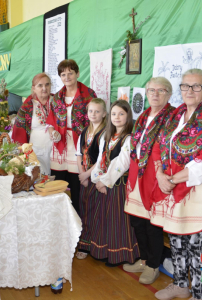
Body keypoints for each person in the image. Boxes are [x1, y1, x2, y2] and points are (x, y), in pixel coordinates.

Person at [152, 69, 202, 300]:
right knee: (176, 240)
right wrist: (160, 175)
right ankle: (180, 284)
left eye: (196, 86)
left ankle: (200, 294)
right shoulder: (175, 115)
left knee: (197, 246)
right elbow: (159, 145)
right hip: (173, 189)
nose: (190, 91)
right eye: (185, 86)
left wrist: (168, 179)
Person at [124, 77, 175, 284]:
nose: (155, 94)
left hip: (156, 175)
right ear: (146, 93)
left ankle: (154, 265)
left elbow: (172, 150)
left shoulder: (172, 117)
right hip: (137, 174)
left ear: (169, 94)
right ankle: (144, 260)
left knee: (153, 223)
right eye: (151, 90)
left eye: (161, 90)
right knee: (137, 220)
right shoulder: (143, 115)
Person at [88, 100, 140, 266]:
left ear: (128, 116)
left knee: (117, 220)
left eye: (121, 114)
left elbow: (121, 164)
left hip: (118, 185)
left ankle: (119, 255)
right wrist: (97, 179)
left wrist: (104, 181)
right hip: (104, 182)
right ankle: (104, 250)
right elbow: (100, 160)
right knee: (104, 218)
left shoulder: (129, 138)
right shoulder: (106, 135)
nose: (117, 117)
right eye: (114, 114)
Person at [46, 59, 97, 214]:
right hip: (60, 145)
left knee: (77, 187)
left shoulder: (89, 95)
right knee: (59, 185)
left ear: (77, 74)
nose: (67, 77)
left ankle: (79, 225)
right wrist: (52, 132)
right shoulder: (56, 98)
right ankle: (61, 222)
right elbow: (50, 122)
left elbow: (96, 121)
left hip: (80, 145)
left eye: (70, 73)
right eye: (63, 74)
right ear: (60, 77)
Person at [76, 98, 107, 259]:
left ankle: (95, 245)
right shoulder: (84, 132)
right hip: (84, 178)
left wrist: (87, 174)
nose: (93, 114)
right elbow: (78, 154)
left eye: (97, 111)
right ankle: (84, 244)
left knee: (96, 212)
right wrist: (81, 174)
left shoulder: (105, 133)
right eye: (90, 111)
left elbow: (102, 158)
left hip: (97, 177)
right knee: (84, 210)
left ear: (104, 114)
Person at [12, 73, 53, 175]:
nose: (44, 88)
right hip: (36, 151)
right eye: (40, 85)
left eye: (47, 84)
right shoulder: (27, 106)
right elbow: (19, 131)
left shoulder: (56, 101)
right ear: (33, 88)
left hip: (55, 151)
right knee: (38, 178)